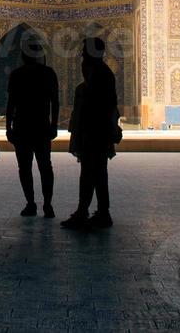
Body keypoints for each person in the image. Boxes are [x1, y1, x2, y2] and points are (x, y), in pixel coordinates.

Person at [61, 37, 117, 230]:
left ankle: (85, 213)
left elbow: (102, 107)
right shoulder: (98, 73)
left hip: (95, 133)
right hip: (95, 132)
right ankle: (101, 212)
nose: (82, 54)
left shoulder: (101, 74)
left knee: (91, 173)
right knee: (98, 173)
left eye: (85, 51)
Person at [5, 32, 59, 218]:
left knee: (25, 167)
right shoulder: (48, 73)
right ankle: (48, 204)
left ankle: (30, 203)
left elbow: (10, 103)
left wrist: (8, 128)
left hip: (22, 127)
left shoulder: (17, 74)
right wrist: (54, 125)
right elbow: (55, 102)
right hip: (42, 126)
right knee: (45, 166)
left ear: (23, 55)